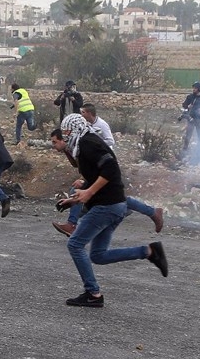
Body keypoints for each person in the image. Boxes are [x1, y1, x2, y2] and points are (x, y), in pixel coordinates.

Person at [52, 114, 168, 307]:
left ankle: (93, 294)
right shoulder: (83, 144)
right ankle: (149, 251)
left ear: (75, 129)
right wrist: (75, 199)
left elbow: (111, 169)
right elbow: (99, 175)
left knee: (75, 245)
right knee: (98, 255)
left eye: (67, 132)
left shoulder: (89, 143)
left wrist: (89, 192)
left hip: (107, 206)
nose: (65, 136)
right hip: (114, 205)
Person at [52, 104, 163, 237]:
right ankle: (149, 212)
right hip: (99, 166)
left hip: (105, 163)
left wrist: (85, 178)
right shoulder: (77, 142)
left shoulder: (90, 136)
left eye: (66, 132)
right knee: (113, 197)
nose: (66, 135)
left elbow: (109, 143)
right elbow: (80, 165)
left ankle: (73, 224)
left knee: (112, 197)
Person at [181, 81, 200, 154]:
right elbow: (184, 105)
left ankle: (199, 149)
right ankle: (184, 149)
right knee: (188, 135)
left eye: (195, 88)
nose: (193, 89)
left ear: (199, 89)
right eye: (193, 88)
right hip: (190, 118)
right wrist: (188, 106)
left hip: (199, 119)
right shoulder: (190, 97)